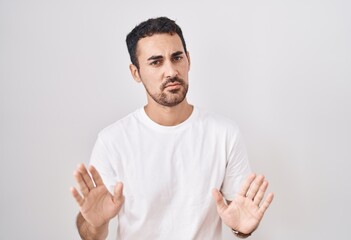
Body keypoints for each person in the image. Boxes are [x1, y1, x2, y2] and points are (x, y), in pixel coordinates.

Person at [70, 17, 274, 240]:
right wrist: (95, 225)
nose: (171, 71)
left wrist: (241, 228)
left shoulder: (224, 134)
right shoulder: (113, 141)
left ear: (188, 60)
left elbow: (240, 218)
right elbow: (91, 234)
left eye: (177, 58)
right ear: (135, 73)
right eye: (156, 62)